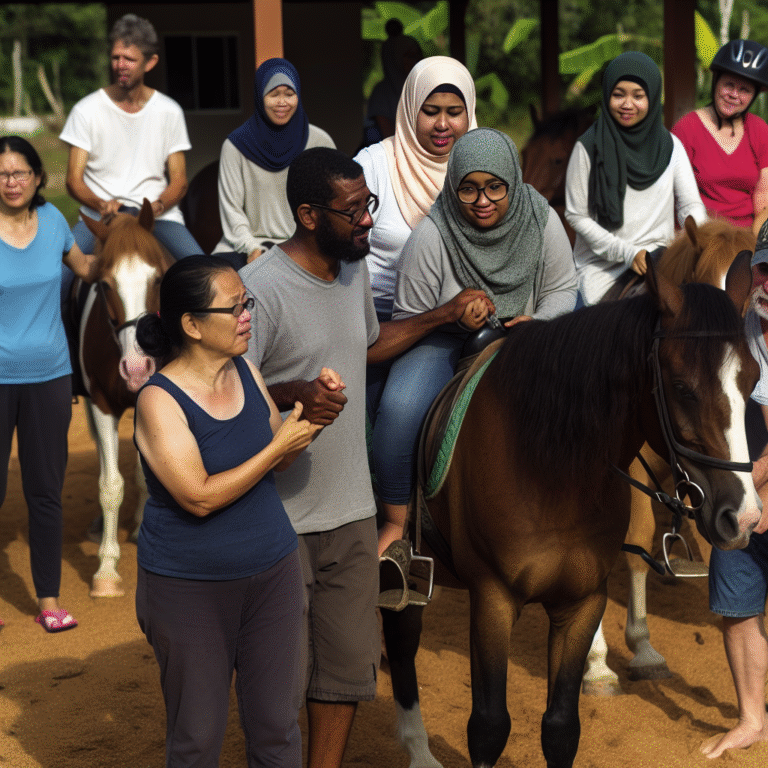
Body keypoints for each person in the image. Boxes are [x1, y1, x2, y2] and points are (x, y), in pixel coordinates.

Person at [239, 146, 486, 768]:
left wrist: (443, 315)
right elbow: (229, 393)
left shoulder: (352, 274)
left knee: (344, 673)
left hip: (353, 515)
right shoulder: (258, 291)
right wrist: (292, 394)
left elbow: (367, 346)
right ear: (309, 215)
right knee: (281, 679)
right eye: (353, 210)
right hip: (281, 521)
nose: (368, 219)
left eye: (368, 203)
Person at [133, 255, 322, 767]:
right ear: (191, 325)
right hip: (188, 588)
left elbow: (279, 460)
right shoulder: (158, 400)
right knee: (197, 739)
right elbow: (197, 495)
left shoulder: (246, 370)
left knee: (278, 729)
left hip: (273, 574)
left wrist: (309, 423)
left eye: (246, 303)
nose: (247, 315)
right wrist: (277, 446)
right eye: (234, 307)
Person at [373, 127, 577, 556]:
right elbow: (409, 318)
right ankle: (395, 525)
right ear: (453, 187)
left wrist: (539, 322)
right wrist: (451, 315)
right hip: (442, 341)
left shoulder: (541, 219)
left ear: (513, 181)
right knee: (398, 409)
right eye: (468, 189)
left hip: (529, 337)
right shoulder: (432, 234)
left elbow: (562, 288)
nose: (482, 201)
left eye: (494, 187)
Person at [0, 136, 97, 632]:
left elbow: (87, 270)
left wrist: (125, 244)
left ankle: (49, 600)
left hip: (51, 377)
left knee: (45, 491)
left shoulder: (55, 221)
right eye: (2, 174)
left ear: (38, 177)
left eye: (20, 172)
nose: (11, 182)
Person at [564, 51, 707, 306]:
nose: (627, 104)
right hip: (603, 270)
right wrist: (628, 253)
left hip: (662, 260)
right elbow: (577, 216)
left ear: (652, 96)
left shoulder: (671, 146)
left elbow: (690, 204)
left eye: (638, 96)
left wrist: (701, 237)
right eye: (618, 94)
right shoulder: (587, 148)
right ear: (607, 95)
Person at [701, 235, 768, 759]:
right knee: (738, 606)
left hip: (749, 487)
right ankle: (751, 719)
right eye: (765, 270)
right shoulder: (734, 330)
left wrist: (754, 486)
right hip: (742, 493)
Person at [60, 13, 203, 259]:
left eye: (129, 59)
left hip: (158, 218)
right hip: (100, 217)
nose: (120, 65)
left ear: (150, 62)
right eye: (116, 57)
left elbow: (179, 181)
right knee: (59, 274)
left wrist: (156, 207)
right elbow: (74, 180)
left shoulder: (169, 111)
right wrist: (102, 205)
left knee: (202, 270)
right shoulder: (86, 110)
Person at [354, 55, 477, 322]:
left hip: (465, 317)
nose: (442, 124)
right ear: (410, 109)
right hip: (379, 319)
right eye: (430, 111)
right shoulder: (374, 165)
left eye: (454, 113)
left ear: (470, 112)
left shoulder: (484, 168)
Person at [213, 57, 335, 265]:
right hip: (248, 246)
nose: (282, 102)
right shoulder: (235, 146)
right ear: (260, 96)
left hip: (304, 245)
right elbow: (232, 210)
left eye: (289, 94)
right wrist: (252, 248)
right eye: (273, 94)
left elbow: (331, 202)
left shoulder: (319, 142)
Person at [672, 39, 768, 229]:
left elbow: (763, 196)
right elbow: (677, 197)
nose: (734, 94)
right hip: (701, 231)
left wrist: (760, 242)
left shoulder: (759, 129)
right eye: (729, 85)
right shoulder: (687, 128)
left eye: (744, 90)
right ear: (716, 81)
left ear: (754, 95)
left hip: (747, 235)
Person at [361, 19, 423, 147]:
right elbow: (389, 138)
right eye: (409, 56)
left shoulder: (422, 89)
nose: (416, 61)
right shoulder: (381, 93)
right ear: (394, 58)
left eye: (417, 55)